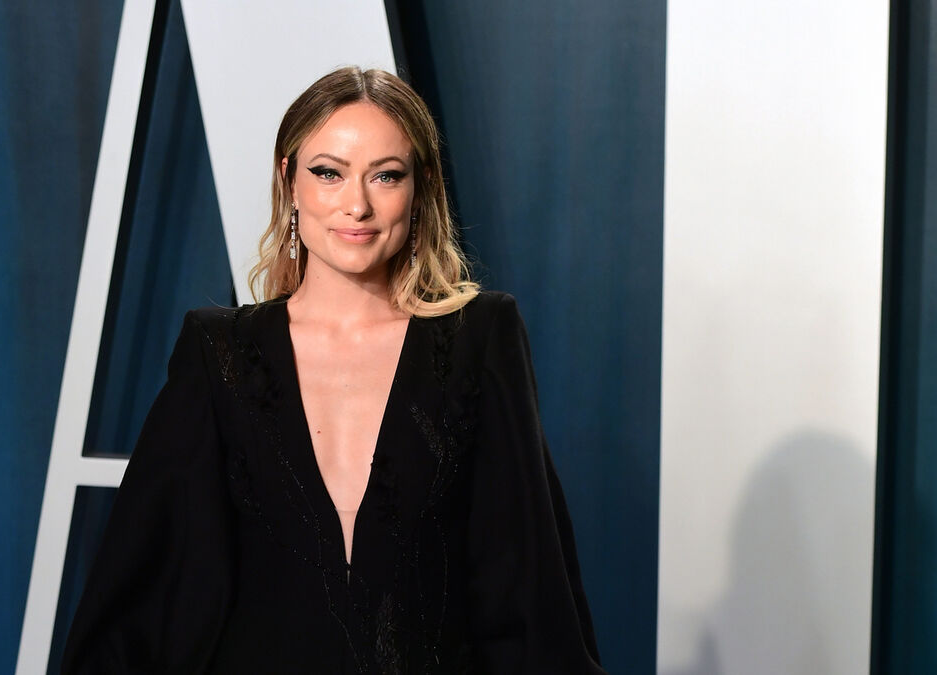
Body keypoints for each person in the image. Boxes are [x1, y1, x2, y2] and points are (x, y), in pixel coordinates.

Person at [61, 66, 605, 674]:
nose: (357, 205)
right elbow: (144, 585)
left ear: (421, 188)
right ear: (289, 181)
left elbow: (527, 580)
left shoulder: (480, 337)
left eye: (386, 175)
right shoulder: (220, 353)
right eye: (329, 172)